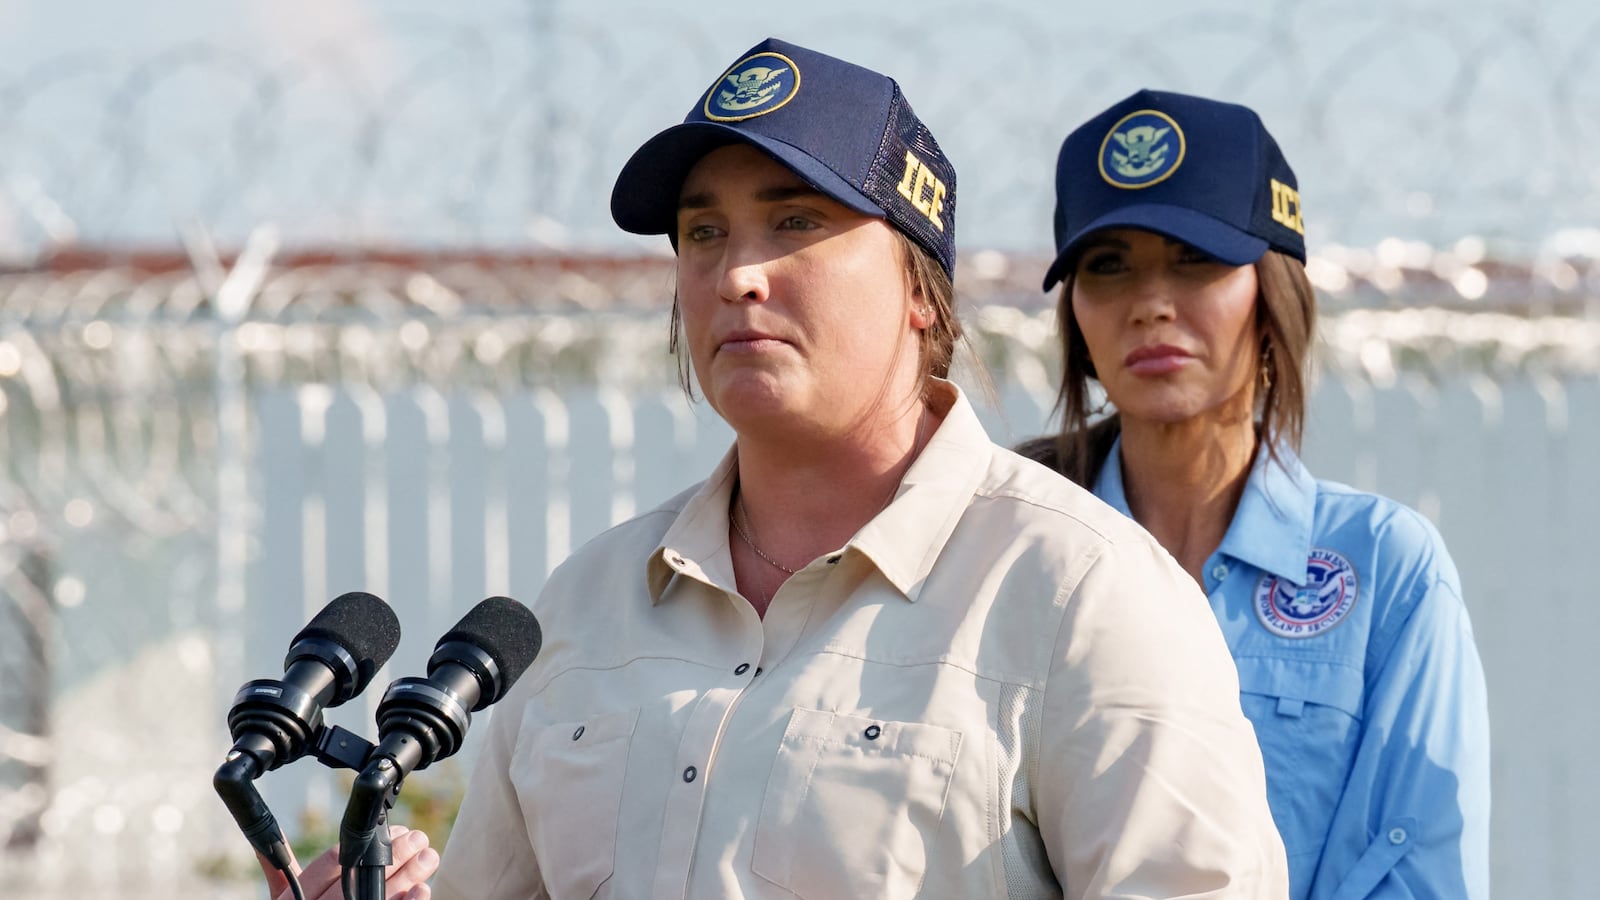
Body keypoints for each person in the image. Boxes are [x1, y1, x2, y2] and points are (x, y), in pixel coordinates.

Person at [263, 41, 1288, 899]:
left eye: (795, 222)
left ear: (921, 288)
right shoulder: (582, 609)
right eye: (702, 232)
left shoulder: (1080, 594)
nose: (735, 273)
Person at [1017, 89, 1491, 899]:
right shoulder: (1013, 552)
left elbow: (1414, 867)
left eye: (1194, 259)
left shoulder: (1387, 571)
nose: (1151, 303)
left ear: (1273, 294)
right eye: (1108, 266)